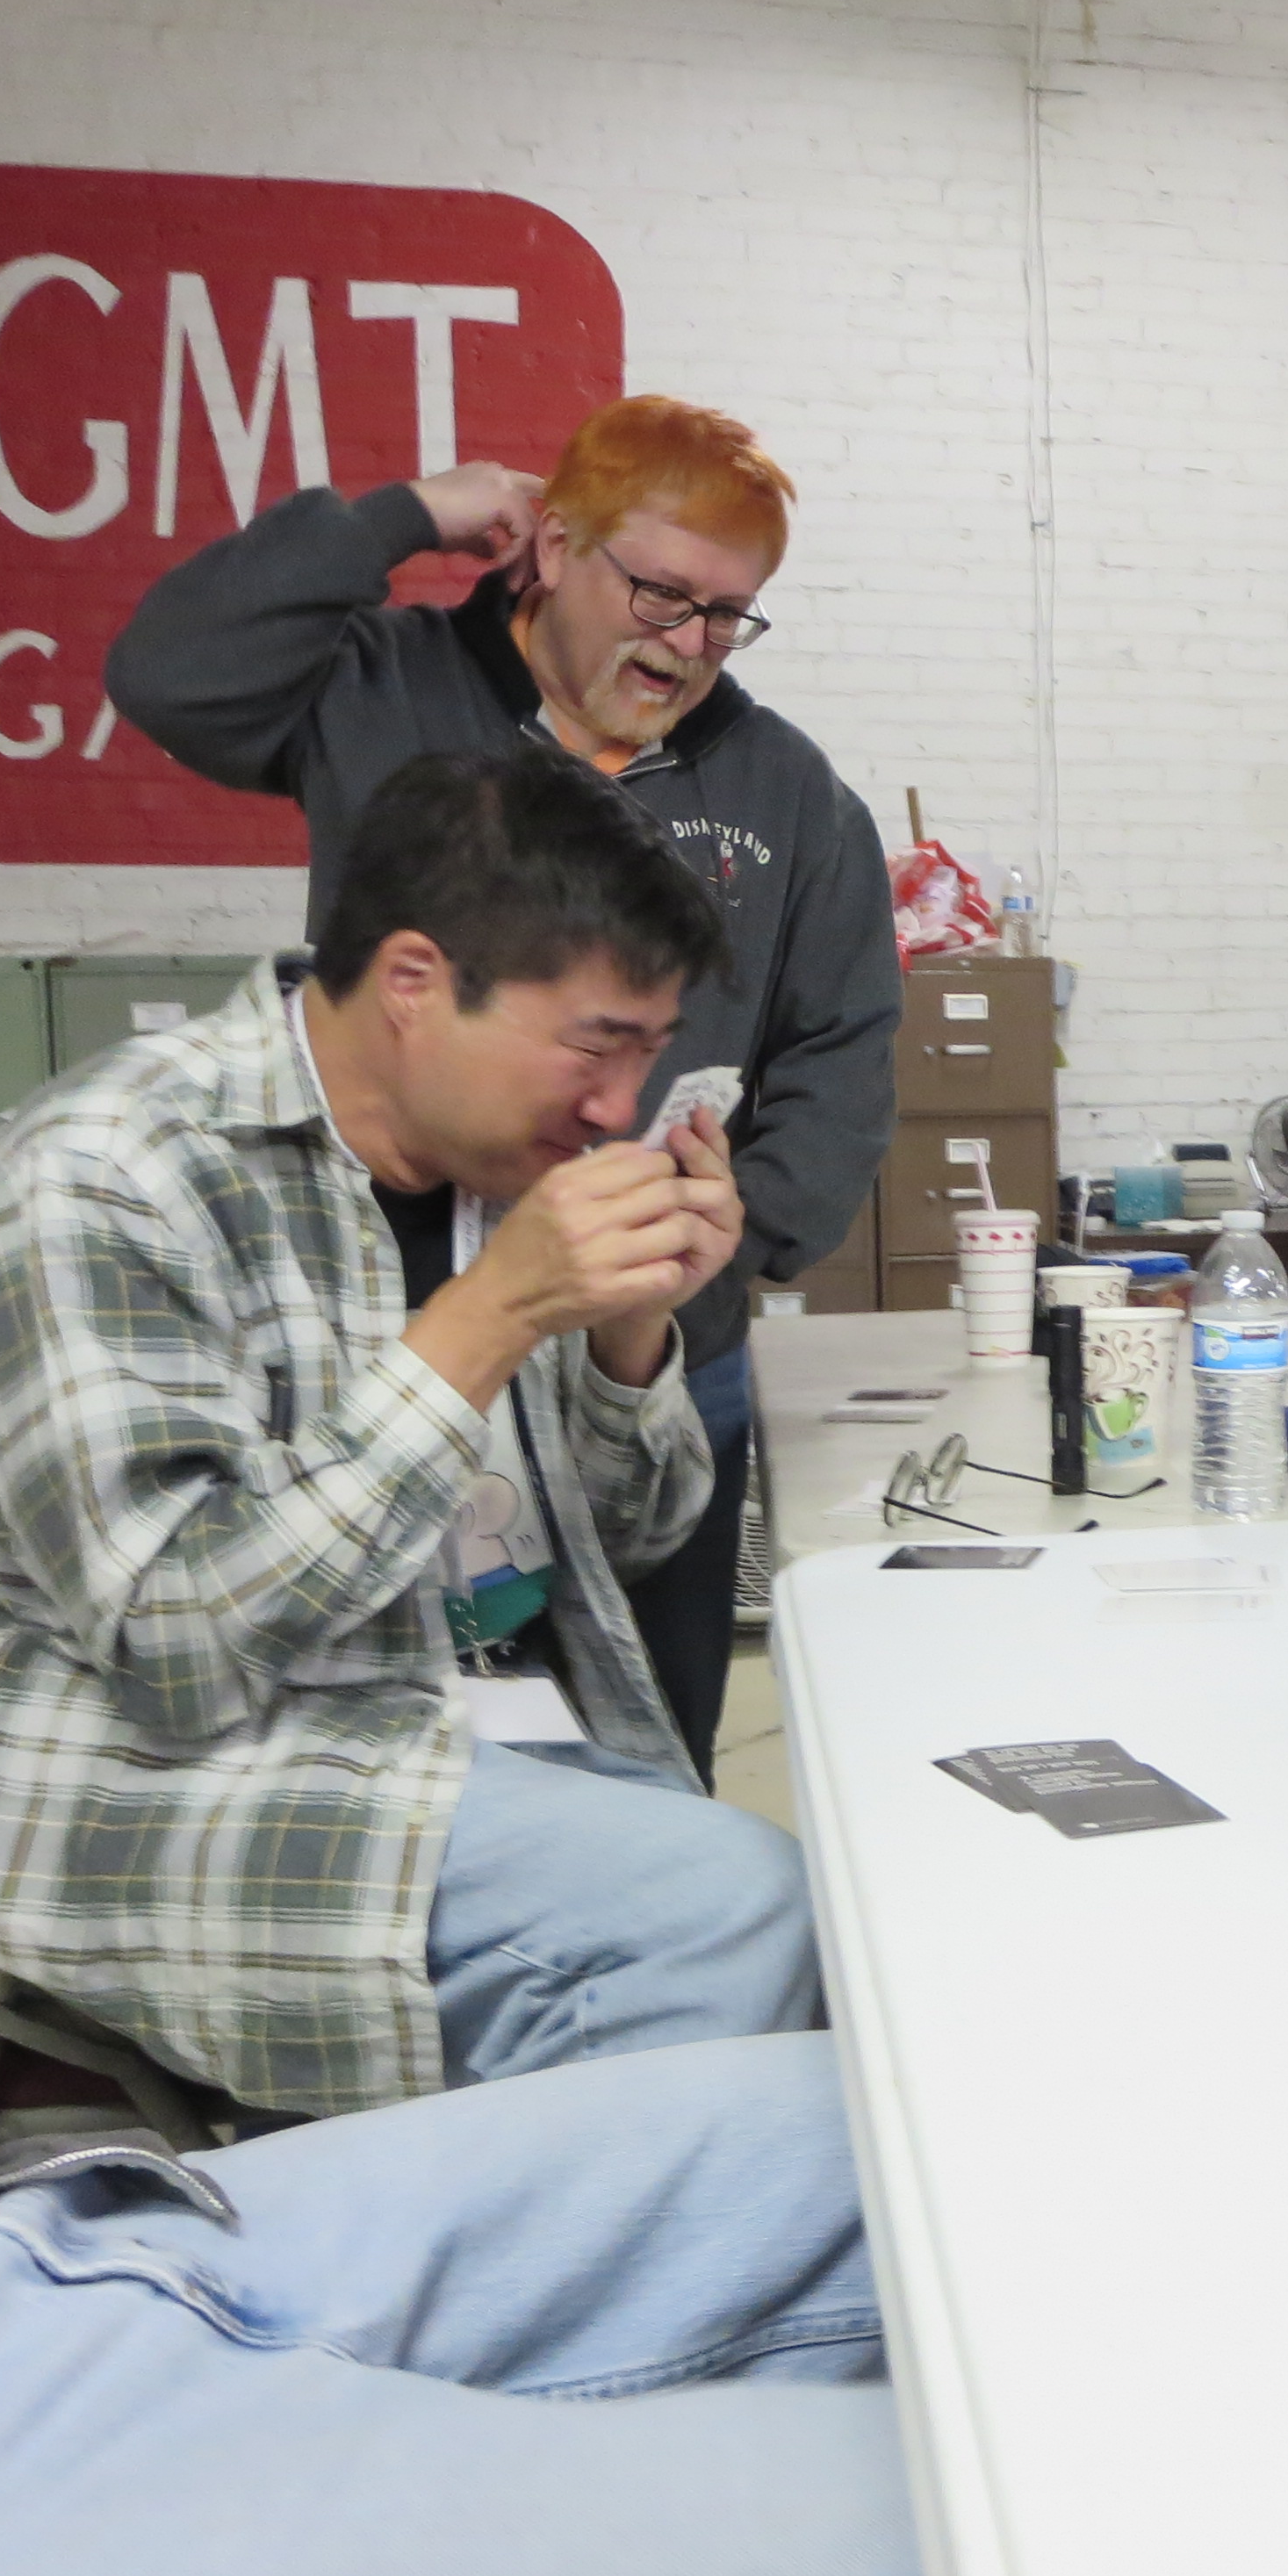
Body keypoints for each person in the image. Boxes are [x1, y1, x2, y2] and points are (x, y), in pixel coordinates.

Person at [0, 747, 818, 2121]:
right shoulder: (104, 1174)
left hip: (473, 1721)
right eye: (596, 1046)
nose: (620, 1110)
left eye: (651, 1051)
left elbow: (631, 1540)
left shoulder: (487, 1164)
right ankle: (481, 2248)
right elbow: (174, 1648)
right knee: (741, 1921)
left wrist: (634, 1330)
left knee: (859, 1915)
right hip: (176, 1783)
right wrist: (486, 1320)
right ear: (412, 984)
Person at [0, 1669, 919, 2576]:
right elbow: (189, 1645)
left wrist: (612, 1385)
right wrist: (457, 1375)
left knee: (904, 2130)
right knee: (974, 2528)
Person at [108, 394, 904, 1785]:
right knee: (387, 1739)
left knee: (649, 1744)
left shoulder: (782, 789)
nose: (689, 643)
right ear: (552, 545)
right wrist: (406, 516)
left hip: (648, 1352)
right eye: (660, 594)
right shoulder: (381, 689)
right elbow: (171, 672)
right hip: (387, 1330)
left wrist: (732, 1247)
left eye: (729, 614)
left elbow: (844, 1040)